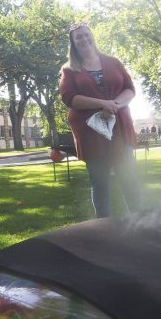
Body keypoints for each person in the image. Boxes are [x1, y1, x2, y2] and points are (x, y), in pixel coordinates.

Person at [59, 23, 141, 218]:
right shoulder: (69, 70)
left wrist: (114, 104)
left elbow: (130, 88)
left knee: (128, 177)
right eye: (79, 37)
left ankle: (140, 224)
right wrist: (102, 103)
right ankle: (102, 228)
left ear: (92, 36)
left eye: (87, 35)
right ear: (73, 42)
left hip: (120, 129)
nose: (84, 39)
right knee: (100, 182)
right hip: (91, 134)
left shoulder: (113, 62)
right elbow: (69, 98)